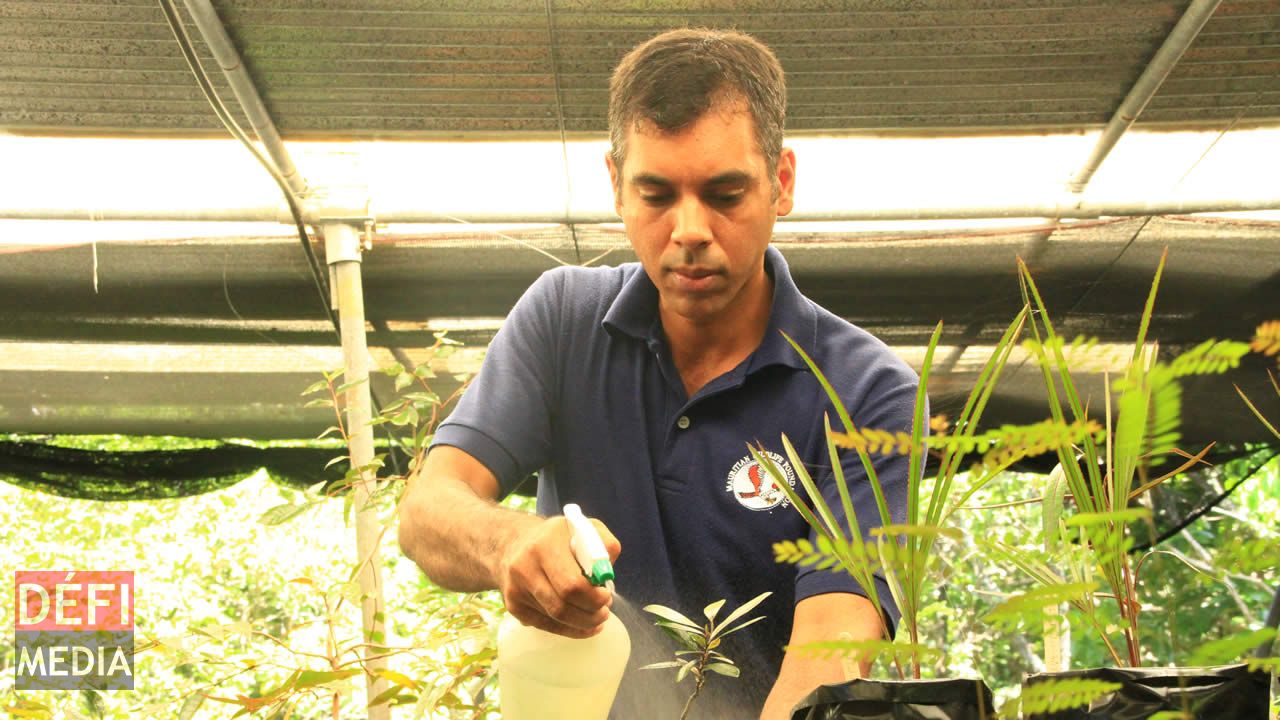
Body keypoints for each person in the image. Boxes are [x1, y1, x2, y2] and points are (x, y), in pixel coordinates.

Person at [398, 27, 917, 719]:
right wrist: (510, 542)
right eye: (657, 194)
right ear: (616, 185)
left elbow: (834, 639)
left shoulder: (864, 393)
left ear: (781, 182)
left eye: (725, 194)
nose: (690, 229)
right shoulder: (562, 322)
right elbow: (428, 512)